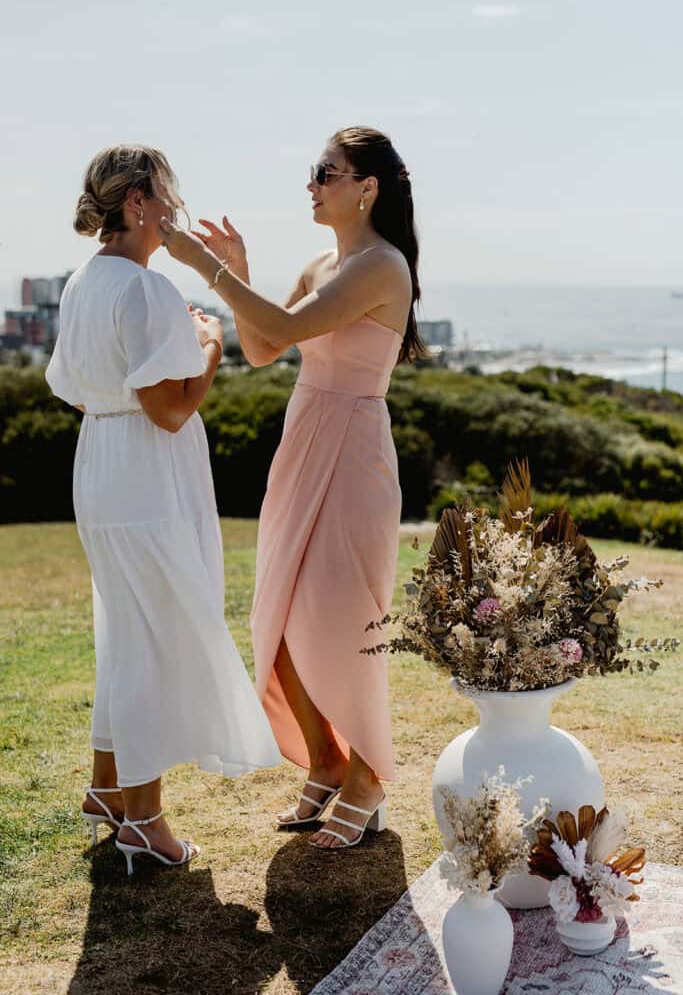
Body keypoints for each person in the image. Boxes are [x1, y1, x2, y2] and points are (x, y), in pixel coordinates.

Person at [159, 126, 424, 850]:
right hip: (304, 438)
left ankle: (367, 778)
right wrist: (238, 267)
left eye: (325, 172)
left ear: (366, 187)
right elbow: (266, 345)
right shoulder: (320, 261)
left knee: (340, 620)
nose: (312, 183)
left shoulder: (381, 266)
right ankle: (327, 761)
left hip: (353, 448)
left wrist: (208, 266)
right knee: (274, 619)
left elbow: (277, 324)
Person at [46, 145, 280, 875]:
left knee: (127, 626)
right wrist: (209, 346)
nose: (175, 205)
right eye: (167, 193)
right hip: (148, 475)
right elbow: (171, 411)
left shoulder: (85, 278)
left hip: (103, 463)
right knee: (153, 637)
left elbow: (77, 390)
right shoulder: (143, 288)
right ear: (138, 202)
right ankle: (144, 822)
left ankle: (108, 788)